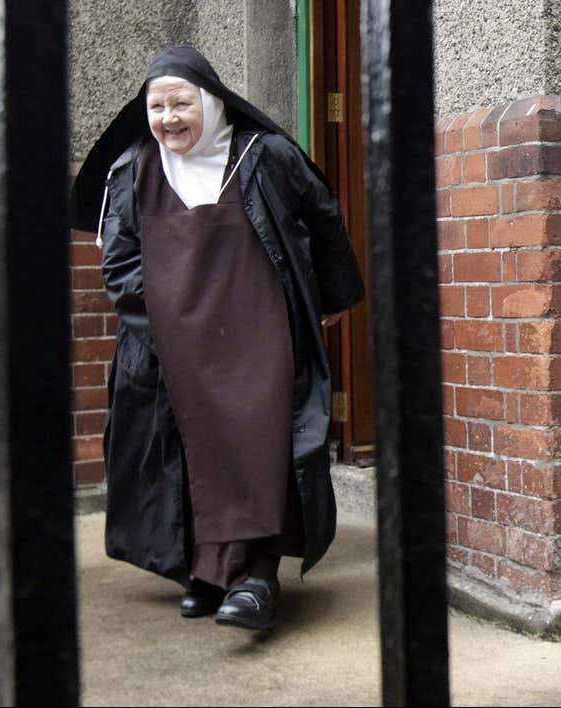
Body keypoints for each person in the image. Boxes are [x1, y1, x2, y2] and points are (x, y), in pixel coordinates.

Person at [70, 45, 363, 633]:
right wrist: (161, 330)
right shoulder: (131, 169)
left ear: (211, 100)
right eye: (157, 107)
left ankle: (256, 576)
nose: (169, 118)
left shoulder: (266, 155)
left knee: (260, 445)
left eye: (181, 103)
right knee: (186, 450)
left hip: (260, 333)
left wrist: (330, 298)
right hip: (168, 342)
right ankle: (205, 571)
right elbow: (120, 262)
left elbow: (324, 217)